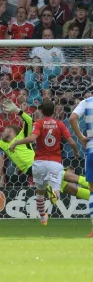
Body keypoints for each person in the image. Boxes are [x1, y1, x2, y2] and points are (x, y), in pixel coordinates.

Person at [0, 99, 90, 202]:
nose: (1, 132)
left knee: (70, 186)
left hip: (38, 165)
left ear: (11, 130)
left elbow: (29, 121)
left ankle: (89, 195)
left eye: (4, 130)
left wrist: (16, 110)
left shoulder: (22, 135)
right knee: (66, 180)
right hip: (34, 171)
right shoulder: (4, 145)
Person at [9, 100, 79, 226]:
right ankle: (53, 192)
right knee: (56, 192)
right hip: (55, 163)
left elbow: (32, 139)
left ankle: (43, 217)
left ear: (41, 111)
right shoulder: (60, 124)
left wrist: (15, 142)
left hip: (39, 163)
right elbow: (72, 142)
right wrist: (76, 153)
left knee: (39, 192)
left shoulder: (39, 123)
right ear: (54, 111)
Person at [69, 96, 93, 236]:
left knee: (92, 189)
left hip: (91, 149)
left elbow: (72, 118)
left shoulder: (87, 102)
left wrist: (81, 137)